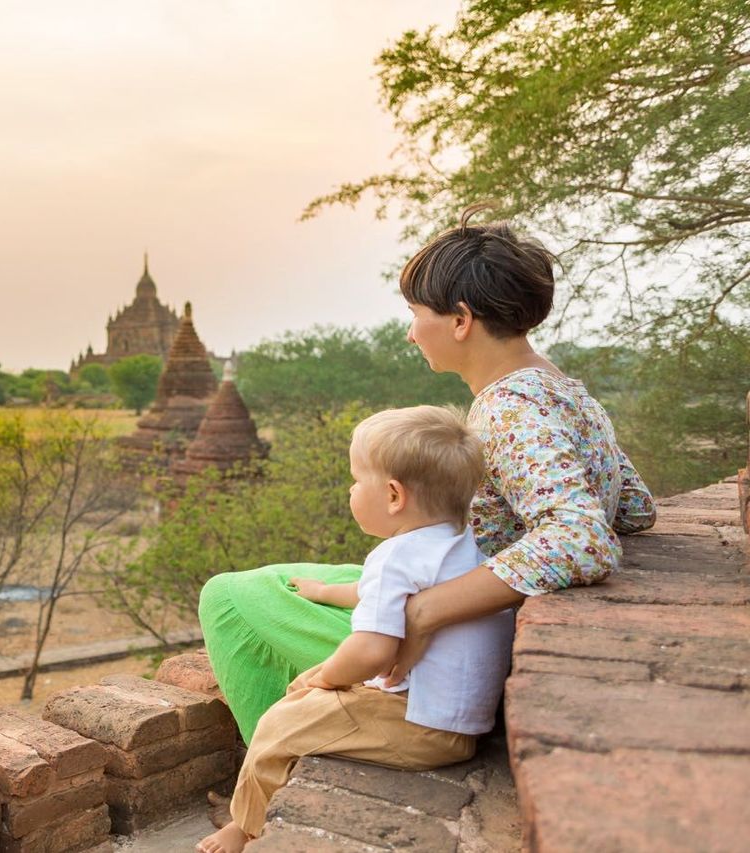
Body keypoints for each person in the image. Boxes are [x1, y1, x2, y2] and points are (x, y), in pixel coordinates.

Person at [198, 206, 656, 744]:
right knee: (291, 582)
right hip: (468, 593)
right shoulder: (566, 390)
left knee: (227, 596)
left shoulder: (508, 410)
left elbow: (583, 541)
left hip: (462, 637)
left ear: (460, 321)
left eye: (416, 313)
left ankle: (274, 767)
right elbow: (636, 508)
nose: (412, 334)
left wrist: (425, 613)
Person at [198, 406, 513, 853]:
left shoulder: (394, 557)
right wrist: (325, 591)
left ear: (392, 496)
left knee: (278, 726)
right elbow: (376, 594)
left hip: (418, 725)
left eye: (355, 479)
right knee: (305, 698)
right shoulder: (463, 543)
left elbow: (371, 652)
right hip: (463, 721)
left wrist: (327, 676)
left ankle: (245, 827)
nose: (350, 489)